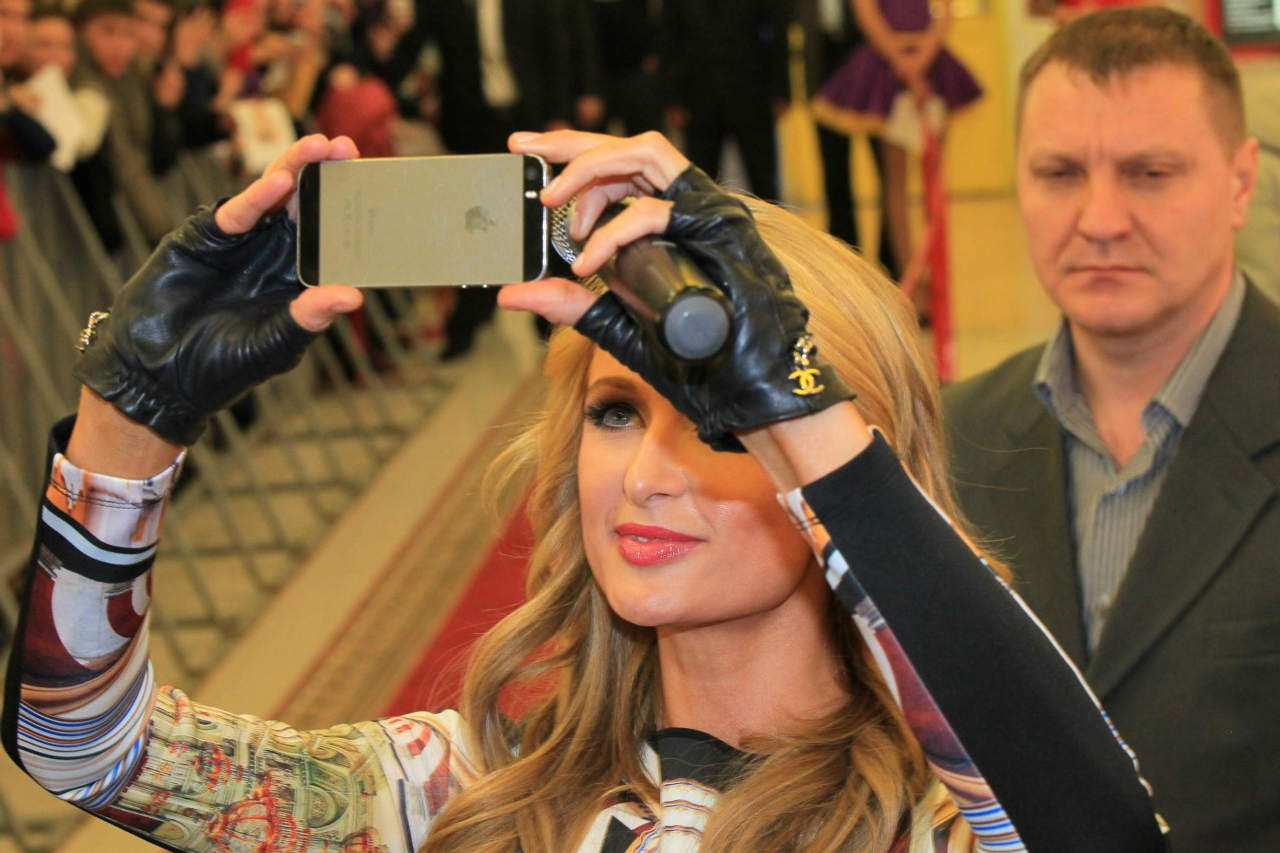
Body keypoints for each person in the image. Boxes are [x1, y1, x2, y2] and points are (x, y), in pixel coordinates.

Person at [1, 129, 1168, 852]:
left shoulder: (945, 818)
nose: (647, 477)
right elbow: (84, 752)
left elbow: (1098, 836)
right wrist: (128, 426)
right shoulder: (465, 790)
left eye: (718, 426)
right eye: (614, 413)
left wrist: (799, 411)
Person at [942, 9, 1277, 853]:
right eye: (1059, 172)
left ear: (1241, 183)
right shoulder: (949, 440)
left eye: (1149, 173)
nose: (1099, 219)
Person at [812, 0, 981, 299]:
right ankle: (909, 278)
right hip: (888, 66)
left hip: (932, 66)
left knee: (934, 182)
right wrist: (901, 60)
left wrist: (924, 55)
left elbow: (946, 10)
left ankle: (936, 272)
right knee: (896, 183)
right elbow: (866, 13)